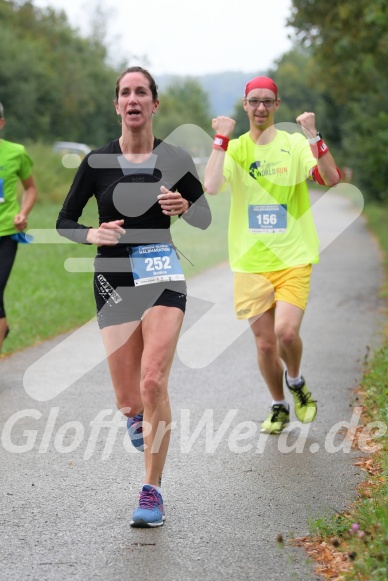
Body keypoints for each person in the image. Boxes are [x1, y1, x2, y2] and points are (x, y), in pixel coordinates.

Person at [56, 66, 211, 527]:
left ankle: (152, 492)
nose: (133, 99)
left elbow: (202, 216)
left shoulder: (176, 158)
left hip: (162, 271)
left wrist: (184, 207)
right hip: (114, 279)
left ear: (154, 104)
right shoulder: (97, 162)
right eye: (125, 93)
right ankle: (137, 418)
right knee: (130, 401)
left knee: (152, 381)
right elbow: (65, 220)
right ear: (117, 105)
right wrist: (92, 235)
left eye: (141, 91)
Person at [204, 76, 340, 434]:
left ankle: (296, 382)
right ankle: (278, 405)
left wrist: (314, 135)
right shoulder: (235, 149)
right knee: (265, 345)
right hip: (251, 264)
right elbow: (213, 186)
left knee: (286, 334)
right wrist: (220, 140)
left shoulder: (294, 145)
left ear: (277, 105)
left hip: (293, 257)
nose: (261, 108)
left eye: (268, 101)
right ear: (245, 105)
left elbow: (331, 178)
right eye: (254, 101)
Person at [0, 102, 37, 354]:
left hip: (6, 235)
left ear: (1, 123)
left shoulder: (16, 152)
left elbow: (31, 188)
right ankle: (3, 327)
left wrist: (23, 213)